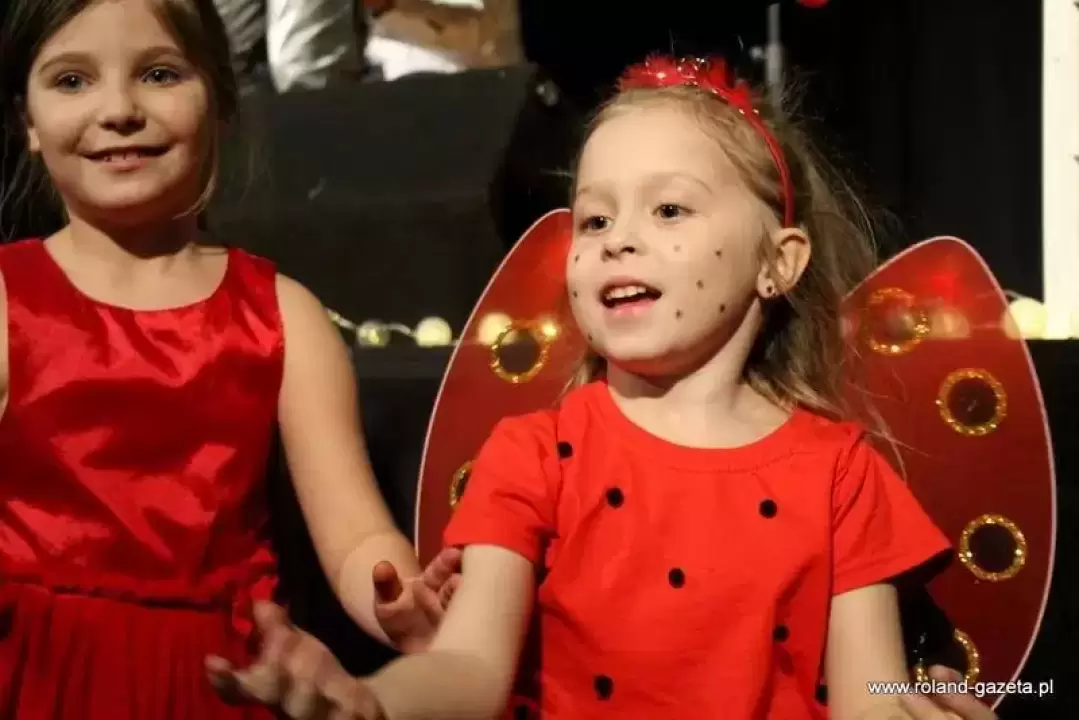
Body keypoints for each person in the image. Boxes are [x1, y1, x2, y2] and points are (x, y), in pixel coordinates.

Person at [213, 56, 1007, 719]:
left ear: (778, 261)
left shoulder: (840, 475)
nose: (618, 239)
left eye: (669, 209)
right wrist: (372, 701)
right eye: (593, 220)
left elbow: (870, 698)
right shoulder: (533, 456)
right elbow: (468, 668)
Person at [0, 0, 456, 717]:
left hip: (221, 683)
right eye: (71, 81)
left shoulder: (283, 314)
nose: (118, 110)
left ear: (220, 100)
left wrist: (400, 596)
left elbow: (356, 534)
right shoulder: (7, 298)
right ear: (26, 120)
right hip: (33, 675)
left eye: (158, 73)